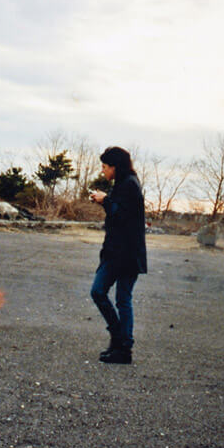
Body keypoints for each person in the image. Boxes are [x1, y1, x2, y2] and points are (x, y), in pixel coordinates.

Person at [88, 146, 147, 364]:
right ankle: (119, 342)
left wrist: (105, 200)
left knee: (105, 294)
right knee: (111, 296)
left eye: (105, 167)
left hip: (124, 254)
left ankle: (123, 346)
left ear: (115, 166)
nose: (103, 171)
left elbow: (121, 216)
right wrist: (104, 201)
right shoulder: (125, 183)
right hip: (120, 252)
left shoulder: (129, 185)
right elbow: (118, 214)